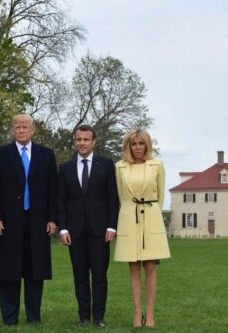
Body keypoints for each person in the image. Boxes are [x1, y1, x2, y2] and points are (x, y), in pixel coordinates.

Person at [0, 113, 58, 326]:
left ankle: (34, 317)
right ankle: (10, 318)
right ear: (12, 129)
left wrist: (52, 218)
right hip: (7, 222)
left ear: (33, 129)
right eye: (18, 127)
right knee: (9, 270)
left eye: (26, 127)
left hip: (38, 221)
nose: (22, 130)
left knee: (36, 270)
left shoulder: (47, 155)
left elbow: (53, 189)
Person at [57, 125, 119, 328]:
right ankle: (83, 316)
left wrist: (112, 226)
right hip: (74, 231)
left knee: (100, 275)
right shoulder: (65, 168)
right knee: (80, 276)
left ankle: (99, 317)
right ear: (74, 141)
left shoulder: (106, 165)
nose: (82, 143)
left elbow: (112, 198)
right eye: (78, 139)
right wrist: (63, 228)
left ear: (94, 142)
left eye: (86, 139)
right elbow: (61, 202)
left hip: (100, 230)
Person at [114, 128, 171, 328]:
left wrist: (153, 214)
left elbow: (161, 196)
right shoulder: (120, 167)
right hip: (129, 217)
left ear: (147, 145)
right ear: (128, 146)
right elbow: (121, 197)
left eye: (141, 143)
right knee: (134, 267)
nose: (137, 147)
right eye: (134, 144)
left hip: (151, 217)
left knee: (150, 266)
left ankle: (150, 312)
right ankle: (137, 312)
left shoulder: (157, 165)